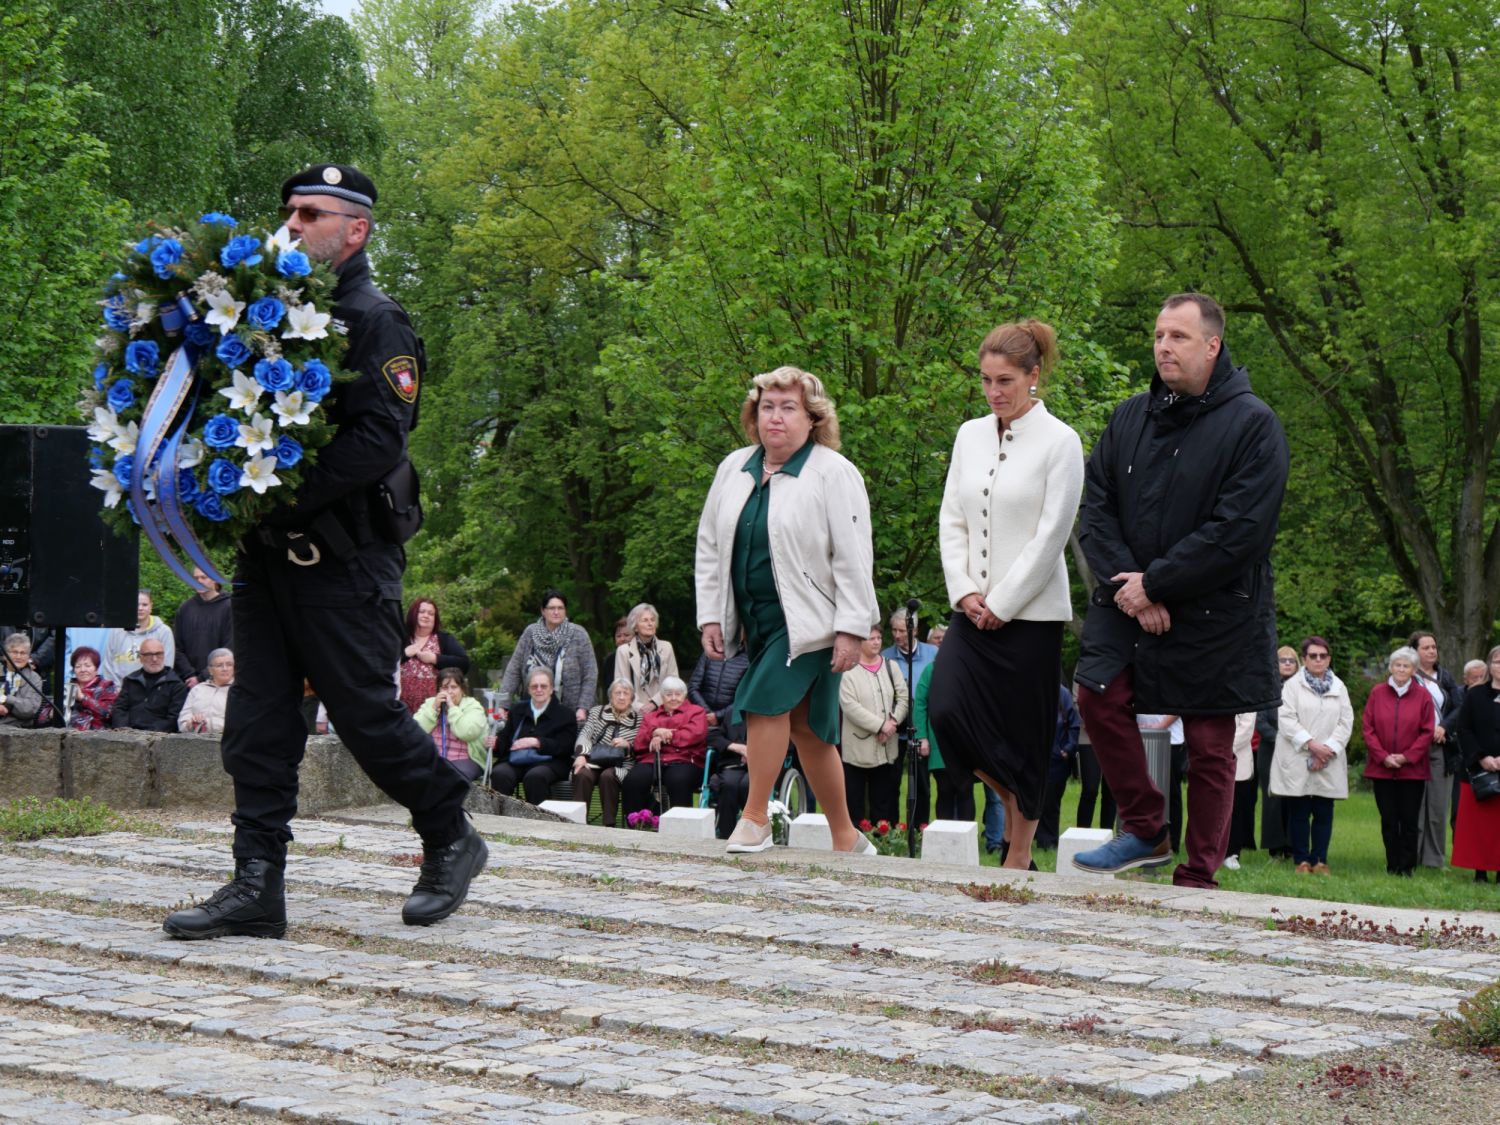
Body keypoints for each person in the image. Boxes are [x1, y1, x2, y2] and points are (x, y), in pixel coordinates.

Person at [163, 164, 485, 942]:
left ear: (356, 229)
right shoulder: (267, 314)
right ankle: (257, 885)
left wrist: (275, 492)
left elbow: (379, 441)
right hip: (267, 559)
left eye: (311, 213)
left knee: (367, 717)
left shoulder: (376, 320)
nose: (293, 223)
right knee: (256, 723)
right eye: (290, 211)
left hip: (343, 560)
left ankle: (450, 832)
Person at [1072, 293, 1289, 887]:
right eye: (1159, 336)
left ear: (1213, 345)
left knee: (1210, 742)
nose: (1163, 347)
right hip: (1126, 598)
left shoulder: (1254, 425)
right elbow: (1096, 509)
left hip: (1216, 608)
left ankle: (1198, 875)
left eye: (1179, 337)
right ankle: (1146, 827)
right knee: (1097, 696)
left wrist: (1158, 583)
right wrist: (1132, 587)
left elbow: (1240, 530)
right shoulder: (1129, 417)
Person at [695, 365, 880, 854]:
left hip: (813, 623)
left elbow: (854, 554)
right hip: (756, 621)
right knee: (807, 730)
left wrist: (853, 628)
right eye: (767, 407)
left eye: (788, 408)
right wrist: (711, 614)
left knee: (762, 702)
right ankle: (847, 837)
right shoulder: (734, 468)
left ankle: (755, 818)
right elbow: (710, 545)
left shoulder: (833, 472)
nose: (774, 417)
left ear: (813, 417)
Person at [928, 319, 1085, 872]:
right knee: (946, 710)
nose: (993, 392)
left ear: (1033, 376)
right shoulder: (969, 435)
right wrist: (965, 591)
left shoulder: (1061, 442)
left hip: (1032, 617)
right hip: (971, 612)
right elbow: (952, 518)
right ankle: (1014, 799)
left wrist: (1005, 602)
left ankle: (1019, 855)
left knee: (1024, 736)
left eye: (1005, 381)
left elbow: (1052, 535)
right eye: (986, 380)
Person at [1268, 636, 1354, 874]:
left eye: (1323, 656)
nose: (1318, 660)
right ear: (1304, 659)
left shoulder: (1339, 687)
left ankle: (1320, 860)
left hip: (1328, 758)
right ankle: (1302, 861)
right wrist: (1312, 746)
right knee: (1300, 812)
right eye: (1313, 656)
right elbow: (1286, 719)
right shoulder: (1292, 686)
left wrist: (1327, 750)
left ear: (1329, 659)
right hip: (1298, 756)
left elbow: (1346, 721)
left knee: (1324, 812)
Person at [1362, 646, 1435, 877]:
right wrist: (1382, 756)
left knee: (1410, 821)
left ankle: (1407, 867)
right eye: (1397, 665)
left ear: (1414, 670)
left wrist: (1406, 757)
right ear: (1391, 667)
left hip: (1412, 770)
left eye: (1406, 666)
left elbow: (1427, 731)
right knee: (1389, 820)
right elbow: (1368, 728)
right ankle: (1392, 865)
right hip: (1381, 769)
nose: (1401, 669)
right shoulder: (1377, 692)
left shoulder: (1423, 695)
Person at [839, 627, 910, 827]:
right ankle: (854, 839)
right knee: (855, 804)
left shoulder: (891, 666)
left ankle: (883, 840)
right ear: (860, 642)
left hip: (886, 749)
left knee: (883, 803)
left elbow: (903, 697)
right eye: (871, 638)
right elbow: (850, 706)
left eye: (879, 638)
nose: (877, 642)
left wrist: (893, 723)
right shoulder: (848, 671)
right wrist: (880, 726)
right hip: (857, 749)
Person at [497, 590, 597, 724]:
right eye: (552, 608)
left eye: (560, 608)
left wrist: (583, 708)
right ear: (543, 611)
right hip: (533, 711)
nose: (556, 612)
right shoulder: (530, 633)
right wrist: (503, 704)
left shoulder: (578, 634)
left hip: (572, 714)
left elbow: (590, 674)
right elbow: (513, 670)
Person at [1409, 631, 1460, 869]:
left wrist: (1443, 727)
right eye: (1426, 647)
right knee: (1415, 805)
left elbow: (1459, 707)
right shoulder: (1406, 675)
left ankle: (1434, 859)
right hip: (1414, 747)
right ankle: (1413, 855)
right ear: (1414, 651)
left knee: (1438, 807)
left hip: (1441, 747)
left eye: (1434, 647)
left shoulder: (1445, 676)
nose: (1432, 651)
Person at [621, 676, 708, 814]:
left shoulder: (696, 712)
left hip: (685, 760)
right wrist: (654, 733)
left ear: (685, 695)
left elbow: (694, 735)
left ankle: (679, 824)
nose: (673, 698)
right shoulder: (650, 717)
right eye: (668, 694)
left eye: (678, 694)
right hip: (653, 760)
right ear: (661, 697)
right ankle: (640, 821)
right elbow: (638, 744)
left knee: (678, 780)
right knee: (633, 780)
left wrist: (665, 736)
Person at [490, 667, 577, 804]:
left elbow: (566, 746)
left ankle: (537, 817)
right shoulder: (517, 710)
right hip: (516, 760)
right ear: (529, 690)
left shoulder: (566, 714)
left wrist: (537, 742)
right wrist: (496, 744)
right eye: (534, 686)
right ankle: (502, 814)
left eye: (543, 686)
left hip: (550, 762)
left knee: (535, 777)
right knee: (500, 773)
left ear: (551, 689)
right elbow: (505, 738)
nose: (539, 689)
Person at [1454, 645, 1500, 884]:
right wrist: (1481, 757)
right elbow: (1464, 728)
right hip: (1478, 769)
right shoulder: (1475, 694)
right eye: (1497, 661)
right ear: (1489, 665)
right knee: (1479, 826)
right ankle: (1480, 872)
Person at [572, 679, 640, 827]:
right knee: (582, 773)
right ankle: (577, 823)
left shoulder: (639, 719)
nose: (621, 697)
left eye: (626, 693)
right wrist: (582, 755)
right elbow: (585, 734)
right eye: (617, 693)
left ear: (632, 698)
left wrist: (628, 745)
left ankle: (609, 825)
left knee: (608, 776)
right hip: (594, 761)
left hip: (622, 765)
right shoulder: (597, 712)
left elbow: (642, 745)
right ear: (610, 696)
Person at [914, 661, 974, 823]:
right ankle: (944, 837)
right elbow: (920, 703)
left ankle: (967, 838)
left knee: (965, 790)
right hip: (939, 742)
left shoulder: (971, 665)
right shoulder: (931, 669)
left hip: (967, 743)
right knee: (945, 790)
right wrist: (921, 736)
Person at [1256, 645, 1300, 859]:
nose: (1287, 664)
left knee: (1294, 798)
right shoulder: (1267, 686)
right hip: (1270, 750)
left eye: (1292, 660)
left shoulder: (1302, 689)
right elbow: (1260, 722)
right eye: (1283, 660)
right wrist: (1282, 739)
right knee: (1272, 799)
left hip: (1296, 751)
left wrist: (1295, 740)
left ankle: (1292, 845)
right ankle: (1274, 847)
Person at [415, 668, 490, 782]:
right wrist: (433, 709)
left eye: (454, 687)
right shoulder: (430, 703)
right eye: (445, 687)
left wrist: (452, 708)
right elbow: (415, 732)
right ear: (439, 689)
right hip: (434, 758)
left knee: (451, 778)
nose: (449, 692)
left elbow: (467, 733)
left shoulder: (473, 706)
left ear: (462, 689)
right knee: (414, 774)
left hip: (465, 758)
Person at [399, 598, 469, 715]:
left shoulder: (444, 639)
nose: (426, 616)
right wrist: (404, 655)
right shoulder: (400, 638)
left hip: (435, 709)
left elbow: (464, 664)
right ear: (413, 614)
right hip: (401, 709)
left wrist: (435, 658)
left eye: (431, 614)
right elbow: (382, 664)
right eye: (422, 612)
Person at [1035, 685, 1082, 850]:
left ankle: (1049, 841)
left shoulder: (1063, 693)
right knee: (1033, 799)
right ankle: (1036, 837)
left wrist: (1067, 749)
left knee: (1051, 801)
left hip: (1056, 759)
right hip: (1033, 757)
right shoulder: (1029, 689)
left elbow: (1074, 724)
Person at [101, 591, 177, 687]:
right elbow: (108, 664)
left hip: (151, 690)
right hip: (119, 690)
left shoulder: (164, 632)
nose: (140, 608)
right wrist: (115, 690)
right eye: (136, 604)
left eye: (144, 605)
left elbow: (167, 665)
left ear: (151, 606)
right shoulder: (116, 631)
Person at [110, 639, 188, 732]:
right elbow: (119, 710)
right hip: (127, 735)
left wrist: (148, 734)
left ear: (164, 655)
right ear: (140, 657)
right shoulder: (130, 681)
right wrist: (123, 731)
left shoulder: (176, 685)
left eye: (158, 654)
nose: (154, 659)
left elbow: (173, 719)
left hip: (160, 736)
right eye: (149, 655)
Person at [172, 567, 232, 686]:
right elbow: (176, 646)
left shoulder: (229, 607)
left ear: (215, 579)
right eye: (196, 578)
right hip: (188, 681)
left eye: (203, 577)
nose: (199, 581)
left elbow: (230, 647)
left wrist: (203, 677)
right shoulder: (185, 608)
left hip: (220, 680)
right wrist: (189, 675)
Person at [1136, 712, 1186, 852]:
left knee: (1171, 793)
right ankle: (1144, 838)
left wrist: (1160, 726)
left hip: (1171, 740)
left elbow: (1178, 706)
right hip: (1142, 736)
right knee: (1143, 793)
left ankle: (1172, 843)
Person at [614, 604, 678, 714]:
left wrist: (654, 703)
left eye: (652, 620)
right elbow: (621, 686)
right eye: (645, 620)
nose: (650, 624)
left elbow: (673, 682)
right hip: (634, 712)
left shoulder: (666, 647)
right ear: (635, 627)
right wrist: (640, 708)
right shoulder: (623, 651)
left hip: (663, 709)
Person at [1222, 712, 1258, 869]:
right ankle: (1210, 851)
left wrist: (1223, 748)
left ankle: (1231, 853)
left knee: (1235, 809)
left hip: (1237, 759)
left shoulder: (1248, 696)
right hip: (1212, 756)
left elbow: (1246, 728)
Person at [178, 649, 235, 735]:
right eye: (219, 665)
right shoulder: (197, 690)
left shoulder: (239, 691)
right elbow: (182, 723)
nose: (225, 669)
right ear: (210, 670)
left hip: (228, 739)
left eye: (229, 664)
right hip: (197, 739)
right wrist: (191, 724)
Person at [0, 632, 45, 728]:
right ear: (5, 654)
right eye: (14, 652)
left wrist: (6, 698)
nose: (19, 656)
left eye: (23, 653)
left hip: (18, 728)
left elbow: (29, 710)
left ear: (28, 656)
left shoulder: (34, 678)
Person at [66, 646, 117, 731]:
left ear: (96, 669)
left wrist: (83, 698)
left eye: (87, 666)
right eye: (78, 666)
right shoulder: (68, 687)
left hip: (96, 736)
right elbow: (43, 716)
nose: (83, 670)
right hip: (66, 734)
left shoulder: (107, 686)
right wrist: (51, 713)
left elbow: (108, 713)